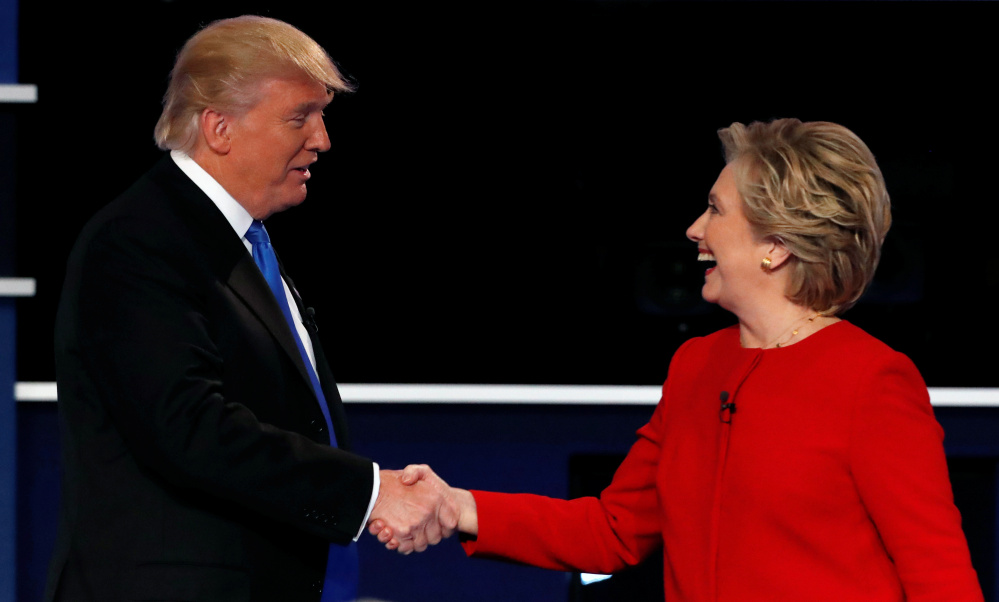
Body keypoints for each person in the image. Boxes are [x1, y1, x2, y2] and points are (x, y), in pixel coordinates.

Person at [372, 119, 985, 600]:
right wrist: (457, 506)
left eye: (716, 210)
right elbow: (613, 531)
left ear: (775, 246)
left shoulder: (872, 381)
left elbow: (942, 580)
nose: (694, 229)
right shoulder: (696, 366)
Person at [45, 16, 455, 602]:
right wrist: (369, 493)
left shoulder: (233, 240)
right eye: (299, 116)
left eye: (322, 115)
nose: (322, 139)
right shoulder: (137, 241)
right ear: (219, 127)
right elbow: (190, 428)